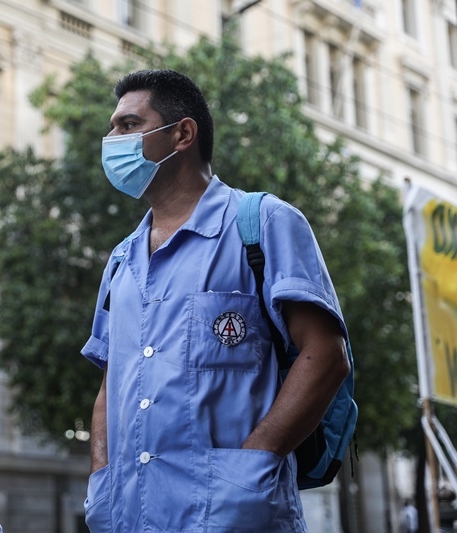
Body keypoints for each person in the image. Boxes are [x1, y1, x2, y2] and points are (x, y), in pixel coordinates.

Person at [81, 69, 351, 531]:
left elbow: (326, 354)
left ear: (183, 134)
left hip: (236, 516)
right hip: (129, 515)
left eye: (128, 125)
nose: (112, 140)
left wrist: (253, 465)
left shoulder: (263, 223)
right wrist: (101, 478)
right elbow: (112, 384)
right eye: (113, 127)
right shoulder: (122, 261)